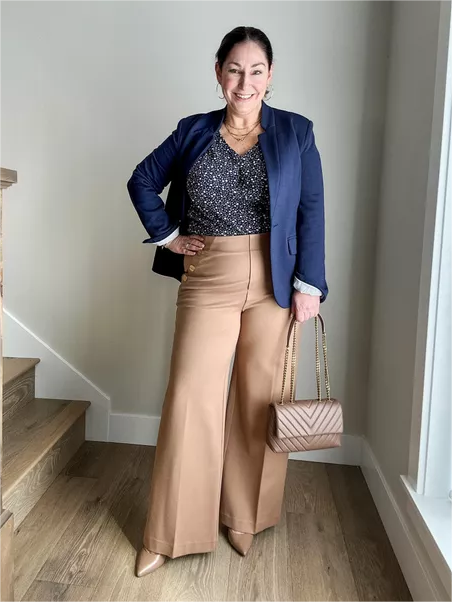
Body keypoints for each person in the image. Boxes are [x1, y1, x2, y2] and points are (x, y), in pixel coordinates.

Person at [127, 25, 328, 578]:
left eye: (256, 71)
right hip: (208, 274)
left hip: (275, 282)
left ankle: (246, 516)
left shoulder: (296, 132)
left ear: (270, 75)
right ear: (219, 73)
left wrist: (309, 285)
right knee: (191, 397)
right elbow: (142, 180)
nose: (245, 82)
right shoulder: (192, 131)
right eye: (234, 70)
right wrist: (168, 236)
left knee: (260, 398)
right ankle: (169, 531)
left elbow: (311, 210)